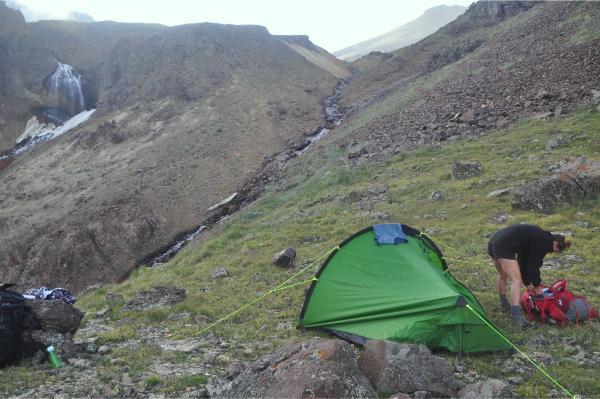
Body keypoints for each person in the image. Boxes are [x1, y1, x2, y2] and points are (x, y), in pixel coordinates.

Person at [487, 224, 571, 327]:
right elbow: (533, 267)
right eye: (556, 250)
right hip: (504, 245)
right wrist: (537, 286)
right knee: (516, 281)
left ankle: (504, 305)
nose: (552, 252)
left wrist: (527, 282)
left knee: (503, 275)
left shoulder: (538, 236)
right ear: (555, 243)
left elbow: (523, 261)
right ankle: (517, 319)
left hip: (494, 240)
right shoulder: (544, 242)